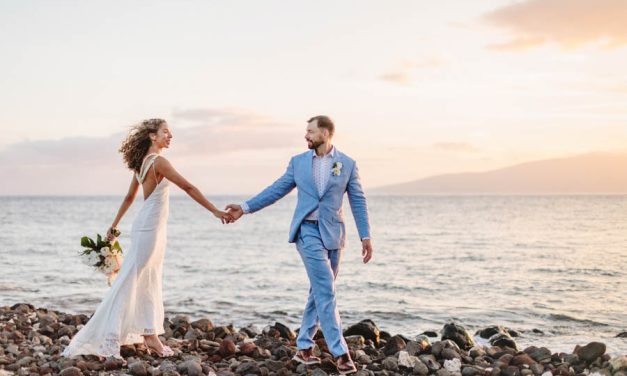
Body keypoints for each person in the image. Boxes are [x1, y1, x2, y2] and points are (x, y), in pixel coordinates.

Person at [62, 118, 231, 359]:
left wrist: (114, 225)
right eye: (165, 132)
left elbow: (130, 198)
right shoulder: (158, 162)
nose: (169, 136)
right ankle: (114, 335)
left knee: (148, 278)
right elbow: (188, 187)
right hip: (149, 228)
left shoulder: (142, 163)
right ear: (153, 136)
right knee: (133, 279)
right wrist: (215, 211)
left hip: (149, 227)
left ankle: (149, 333)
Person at [226, 115, 373, 374]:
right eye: (306, 131)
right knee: (326, 288)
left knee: (319, 291)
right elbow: (276, 190)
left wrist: (366, 236)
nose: (306, 135)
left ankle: (304, 347)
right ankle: (341, 353)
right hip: (307, 232)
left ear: (325, 134)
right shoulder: (298, 163)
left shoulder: (347, 164)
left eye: (310, 131)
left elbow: (358, 201)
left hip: (335, 235)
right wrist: (245, 208)